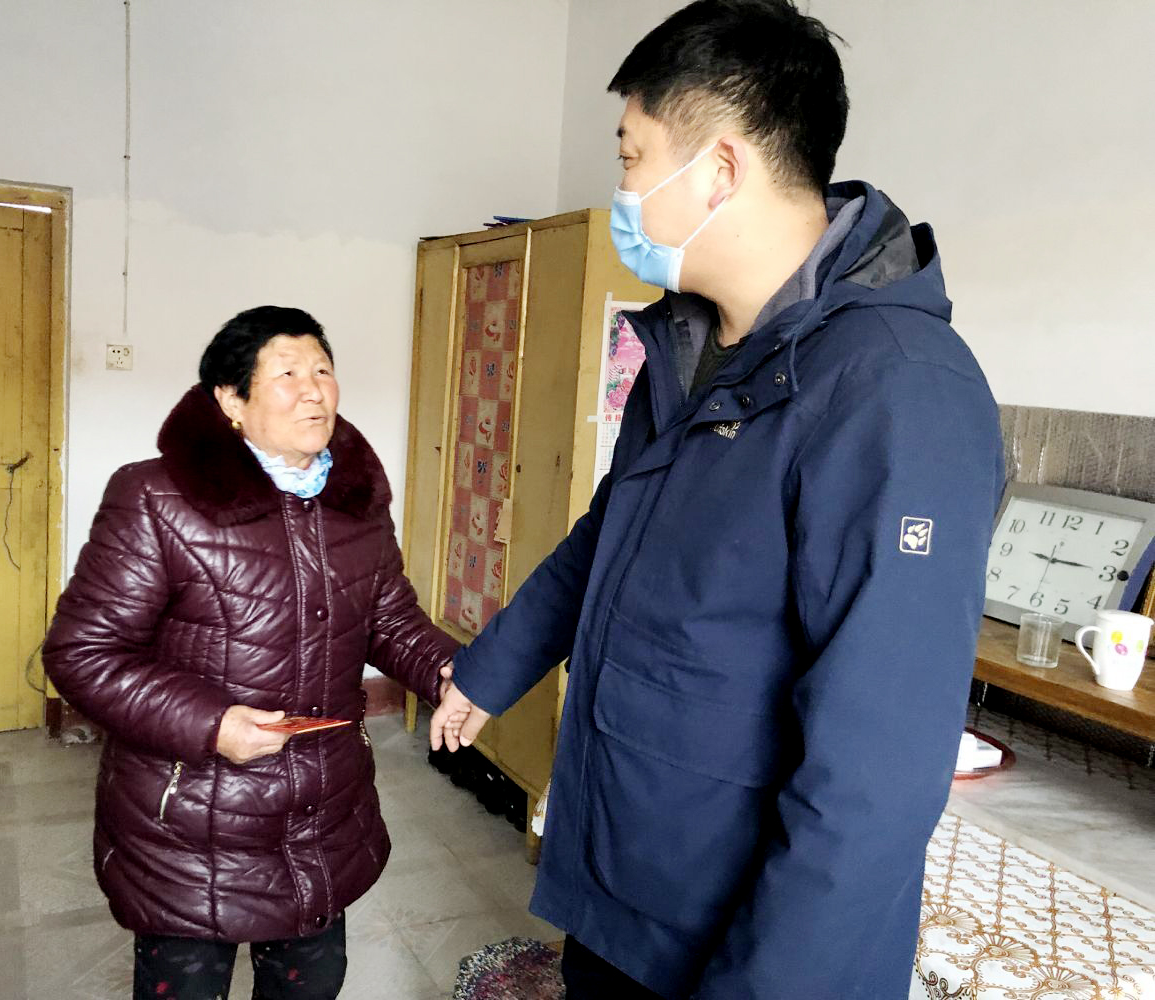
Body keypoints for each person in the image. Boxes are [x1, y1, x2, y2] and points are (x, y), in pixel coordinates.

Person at [431, 2, 1005, 997]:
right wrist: (490, 670)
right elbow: (606, 539)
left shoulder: (896, 391)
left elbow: (872, 783)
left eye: (630, 157)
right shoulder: (692, 348)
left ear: (721, 169)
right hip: (629, 878)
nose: (620, 191)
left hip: (741, 938)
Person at [44, 306, 459, 1000]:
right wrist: (214, 725)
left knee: (311, 983)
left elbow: (388, 619)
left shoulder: (354, 502)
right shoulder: (156, 498)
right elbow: (84, 653)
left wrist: (450, 671)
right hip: (191, 822)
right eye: (287, 373)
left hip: (322, 812)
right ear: (231, 402)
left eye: (323, 370)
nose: (314, 390)